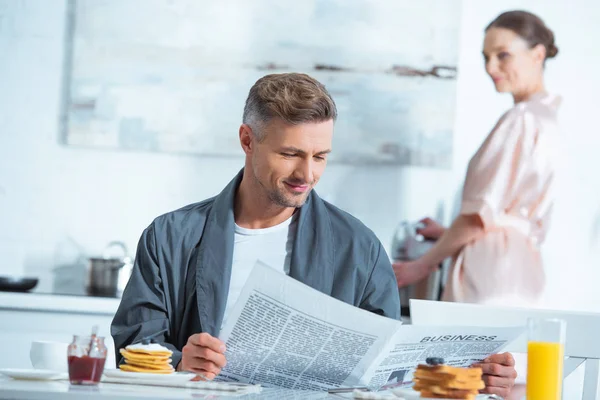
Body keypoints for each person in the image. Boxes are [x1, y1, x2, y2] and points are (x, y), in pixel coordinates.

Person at [111, 72, 517, 396]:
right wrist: (181, 363)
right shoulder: (170, 237)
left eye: (320, 156)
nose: (307, 175)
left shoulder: (359, 248)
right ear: (247, 140)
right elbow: (133, 349)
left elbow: (385, 374)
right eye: (290, 154)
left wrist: (465, 377)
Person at [394, 10, 560, 396]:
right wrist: (446, 231)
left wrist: (421, 264)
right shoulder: (547, 116)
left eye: (502, 55)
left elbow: (478, 216)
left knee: (473, 378)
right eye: (486, 56)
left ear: (537, 54)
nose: (491, 67)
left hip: (491, 269)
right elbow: (505, 209)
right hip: (521, 269)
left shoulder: (520, 119)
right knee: (509, 380)